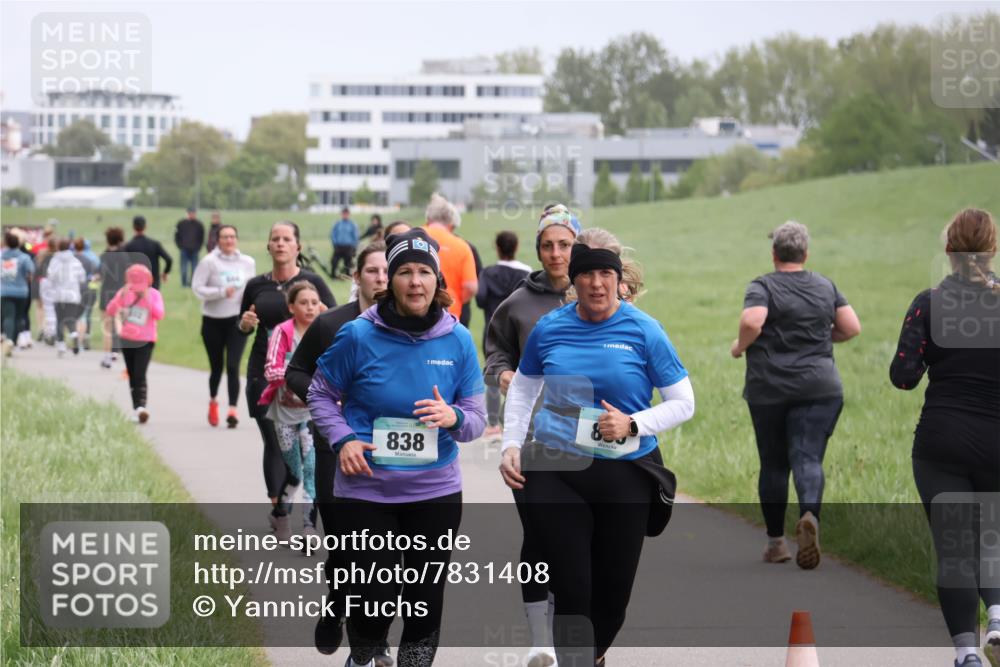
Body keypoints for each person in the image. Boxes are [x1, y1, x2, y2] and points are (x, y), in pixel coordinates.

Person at [499, 229, 694, 667]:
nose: (597, 284)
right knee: (573, 585)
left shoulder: (644, 330)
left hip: (623, 474)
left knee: (612, 595)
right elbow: (525, 390)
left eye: (606, 274)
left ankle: (590, 655)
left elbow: (684, 402)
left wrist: (633, 423)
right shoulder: (551, 328)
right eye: (587, 275)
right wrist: (512, 444)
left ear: (619, 280)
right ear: (575, 281)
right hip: (556, 469)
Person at [308, 228, 485, 667]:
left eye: (425, 271)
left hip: (435, 492)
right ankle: (364, 655)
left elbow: (477, 419)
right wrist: (343, 438)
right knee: (375, 597)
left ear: (437, 280)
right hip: (366, 489)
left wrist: (455, 417)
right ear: (390, 279)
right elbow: (319, 394)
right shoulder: (357, 335)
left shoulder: (458, 340)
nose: (415, 281)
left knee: (424, 599)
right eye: (404, 271)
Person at [889, 208, 1000, 667]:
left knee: (956, 547)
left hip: (942, 442)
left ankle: (968, 655)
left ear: (948, 251)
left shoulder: (928, 303)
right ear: (992, 250)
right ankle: (997, 615)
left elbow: (903, 376)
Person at [730, 221, 861, 569]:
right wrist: (820, 338)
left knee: (774, 465)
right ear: (806, 253)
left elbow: (752, 321)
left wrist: (739, 347)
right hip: (820, 388)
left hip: (769, 389)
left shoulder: (763, 285)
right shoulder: (824, 285)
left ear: (774, 253)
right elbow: (851, 327)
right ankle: (809, 516)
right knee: (808, 459)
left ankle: (777, 543)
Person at [483, 204, 579, 665]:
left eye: (564, 244)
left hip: (586, 439)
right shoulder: (517, 303)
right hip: (532, 439)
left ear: (577, 247)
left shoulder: (597, 294)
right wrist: (503, 376)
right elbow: (494, 352)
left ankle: (571, 629)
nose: (556, 253)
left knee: (578, 537)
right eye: (548, 245)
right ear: (536, 249)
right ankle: (541, 639)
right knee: (541, 533)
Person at [285, 241, 389, 661]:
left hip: (389, 453)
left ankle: (373, 641)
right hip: (336, 447)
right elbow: (297, 370)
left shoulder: (409, 328)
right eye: (372, 272)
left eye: (387, 271)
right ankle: (336, 606)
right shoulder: (331, 324)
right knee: (347, 546)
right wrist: (328, 402)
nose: (381, 279)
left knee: (382, 553)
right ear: (357, 277)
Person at [239, 221, 335, 528]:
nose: (280, 244)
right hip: (264, 375)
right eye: (275, 239)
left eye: (287, 239)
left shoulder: (312, 282)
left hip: (306, 381)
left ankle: (303, 519)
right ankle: (280, 507)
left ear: (298, 247)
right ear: (268, 246)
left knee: (312, 457)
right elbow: (243, 323)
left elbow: (335, 322)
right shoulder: (256, 285)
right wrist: (244, 324)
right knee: (274, 444)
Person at [258, 281, 324, 541]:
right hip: (284, 412)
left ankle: (308, 527)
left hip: (311, 413)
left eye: (314, 302)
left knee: (311, 468)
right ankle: (281, 514)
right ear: (291, 307)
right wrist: (297, 375)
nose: (310, 307)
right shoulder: (282, 332)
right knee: (295, 472)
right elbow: (271, 368)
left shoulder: (324, 331)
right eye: (303, 303)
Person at [192, 224, 256, 427]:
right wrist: (220, 292)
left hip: (237, 321)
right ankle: (213, 401)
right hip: (213, 321)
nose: (229, 240)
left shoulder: (247, 262)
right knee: (217, 367)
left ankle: (233, 410)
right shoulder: (209, 262)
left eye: (232, 237)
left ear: (236, 239)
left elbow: (252, 287)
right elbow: (197, 289)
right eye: (225, 237)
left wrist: (253, 304)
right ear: (218, 240)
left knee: (233, 365)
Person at [476, 231, 532, 439]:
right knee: (519, 378)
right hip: (520, 331)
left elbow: (480, 299)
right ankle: (516, 424)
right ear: (516, 247)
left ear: (497, 247)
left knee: (493, 374)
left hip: (493, 329)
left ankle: (492, 425)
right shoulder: (527, 272)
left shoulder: (487, 272)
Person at [104, 264, 164, 423]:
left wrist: (147, 299)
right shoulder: (124, 293)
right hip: (127, 338)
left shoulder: (154, 294)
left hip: (146, 339)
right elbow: (110, 310)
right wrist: (121, 297)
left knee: (140, 373)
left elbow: (159, 314)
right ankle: (136, 408)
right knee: (132, 374)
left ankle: (141, 407)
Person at [423, 193, 477, 320]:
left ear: (428, 218)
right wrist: (456, 299)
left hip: (413, 310)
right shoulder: (462, 246)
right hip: (448, 314)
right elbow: (471, 287)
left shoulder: (412, 238)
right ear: (450, 222)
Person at [45, 238, 87, 357]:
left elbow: (50, 277)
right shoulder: (75, 261)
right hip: (72, 295)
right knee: (71, 319)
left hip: (58, 295)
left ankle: (61, 345)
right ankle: (74, 334)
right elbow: (82, 277)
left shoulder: (55, 260)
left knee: (59, 320)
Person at [98, 227, 129, 369]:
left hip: (106, 292)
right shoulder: (125, 256)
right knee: (120, 324)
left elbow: (99, 275)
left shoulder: (104, 256)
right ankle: (118, 351)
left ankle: (107, 357)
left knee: (107, 326)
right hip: (121, 293)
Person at [1, 231, 34, 357]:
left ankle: (8, 339)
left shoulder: (1, 257)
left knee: (8, 317)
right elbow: (30, 273)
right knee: (19, 317)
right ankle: (13, 341)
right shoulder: (24, 258)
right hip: (21, 291)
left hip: (4, 291)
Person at [124, 215, 173, 289]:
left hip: (135, 283)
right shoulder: (155, 244)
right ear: (145, 227)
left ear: (133, 227)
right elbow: (169, 259)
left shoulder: (128, 246)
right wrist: (165, 273)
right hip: (153, 283)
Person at [73, 238, 99, 350]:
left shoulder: (73, 257)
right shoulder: (93, 258)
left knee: (75, 315)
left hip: (75, 289)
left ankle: (76, 338)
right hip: (90, 289)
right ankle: (85, 339)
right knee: (86, 315)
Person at [175, 206, 205, 287]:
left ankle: (192, 283)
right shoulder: (181, 223)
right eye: (190, 213)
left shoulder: (199, 225)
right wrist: (180, 246)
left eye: (193, 213)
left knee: (195, 268)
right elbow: (177, 236)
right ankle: (184, 284)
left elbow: (201, 237)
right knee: (184, 269)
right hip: (184, 250)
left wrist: (198, 247)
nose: (191, 214)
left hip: (195, 250)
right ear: (187, 213)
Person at [330, 207, 359, 278]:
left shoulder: (352, 225)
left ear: (349, 214)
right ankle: (333, 275)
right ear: (341, 214)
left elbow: (355, 236)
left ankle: (347, 276)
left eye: (346, 214)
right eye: (344, 214)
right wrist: (334, 243)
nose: (345, 215)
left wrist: (354, 246)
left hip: (348, 247)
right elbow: (333, 234)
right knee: (334, 261)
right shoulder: (338, 224)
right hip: (338, 246)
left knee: (348, 263)